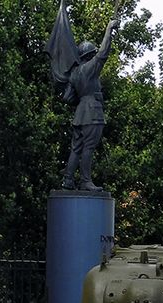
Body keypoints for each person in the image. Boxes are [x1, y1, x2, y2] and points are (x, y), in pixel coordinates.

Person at [61, 17, 120, 191]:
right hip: (92, 112)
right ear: (89, 56)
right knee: (88, 147)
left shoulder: (74, 73)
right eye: (92, 54)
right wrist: (109, 31)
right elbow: (103, 54)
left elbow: (67, 98)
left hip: (80, 113)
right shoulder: (88, 69)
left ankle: (68, 179)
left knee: (76, 148)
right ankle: (85, 181)